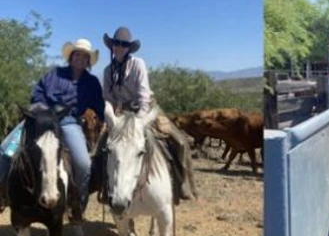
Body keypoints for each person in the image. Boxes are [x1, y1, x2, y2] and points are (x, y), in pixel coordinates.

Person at [0, 39, 104, 223]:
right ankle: (3, 194)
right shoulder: (55, 74)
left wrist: (100, 116)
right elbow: (38, 92)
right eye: (77, 54)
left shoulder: (92, 82)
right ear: (71, 57)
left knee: (84, 164)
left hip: (68, 121)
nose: (80, 58)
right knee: (6, 149)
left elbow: (99, 106)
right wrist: (40, 108)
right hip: (42, 118)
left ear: (88, 61)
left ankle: (77, 206)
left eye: (84, 56)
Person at [102, 26, 196, 202]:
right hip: (121, 115)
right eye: (116, 43)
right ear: (111, 45)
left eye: (123, 44)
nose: (119, 47)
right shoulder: (108, 70)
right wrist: (111, 117)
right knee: (102, 148)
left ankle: (183, 184)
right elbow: (107, 98)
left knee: (180, 142)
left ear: (129, 48)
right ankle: (105, 189)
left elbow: (144, 97)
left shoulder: (138, 64)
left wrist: (139, 122)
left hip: (144, 111)